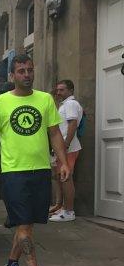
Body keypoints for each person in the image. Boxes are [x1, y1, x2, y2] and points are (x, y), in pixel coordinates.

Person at [0, 54, 69, 266]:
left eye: (30, 70)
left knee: (27, 224)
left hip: (40, 171)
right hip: (13, 172)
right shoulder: (1, 102)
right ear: (12, 76)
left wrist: (62, 163)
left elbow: (54, 134)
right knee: (24, 225)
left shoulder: (45, 100)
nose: (27, 75)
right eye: (21, 71)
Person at [50, 79, 83, 222]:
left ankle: (69, 211)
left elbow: (73, 124)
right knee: (60, 177)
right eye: (57, 90)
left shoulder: (71, 104)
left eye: (62, 90)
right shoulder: (65, 104)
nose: (58, 92)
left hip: (67, 148)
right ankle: (61, 207)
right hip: (63, 147)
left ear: (71, 90)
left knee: (66, 178)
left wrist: (65, 145)